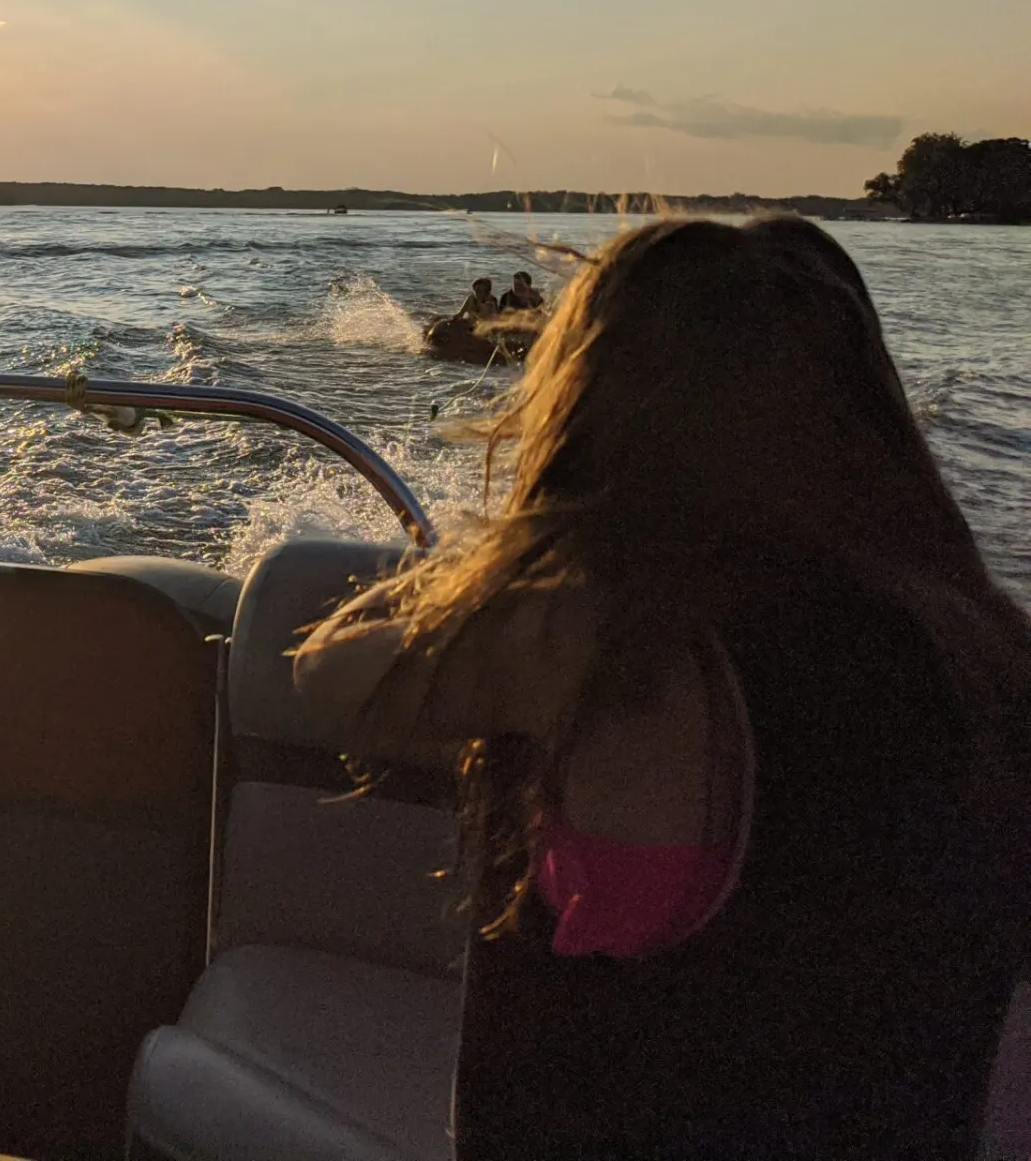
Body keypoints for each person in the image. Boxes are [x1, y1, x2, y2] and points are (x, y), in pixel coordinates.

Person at [294, 216, 1031, 1158]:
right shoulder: (983, 649)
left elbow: (328, 672)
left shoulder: (596, 640)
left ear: (596, 407)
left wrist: (500, 568)